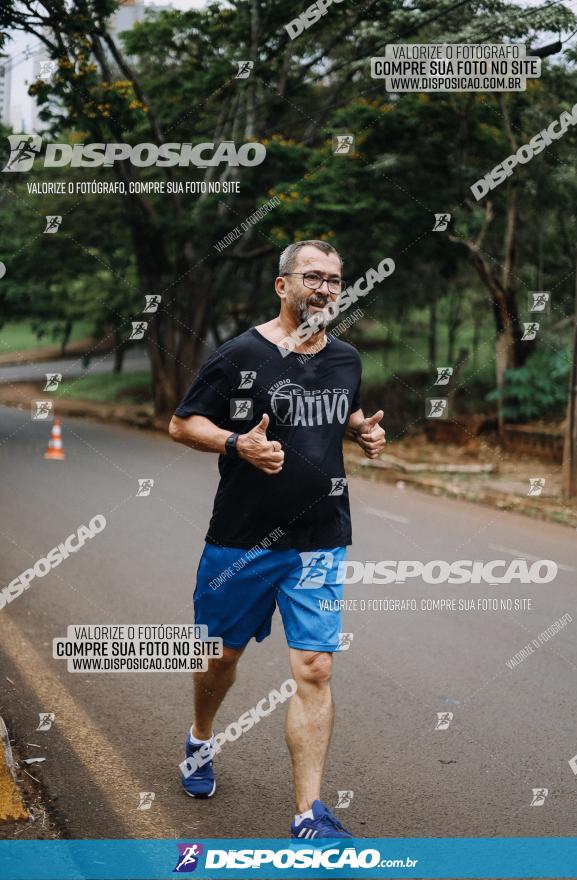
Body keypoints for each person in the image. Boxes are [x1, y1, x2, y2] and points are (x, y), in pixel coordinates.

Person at [169, 239, 386, 839]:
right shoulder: (239, 354)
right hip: (241, 542)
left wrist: (361, 431)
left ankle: (308, 814)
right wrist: (238, 443)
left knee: (316, 668)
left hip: (320, 539)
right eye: (312, 277)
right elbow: (182, 423)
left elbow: (339, 410)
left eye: (335, 280)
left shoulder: (346, 359)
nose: (324, 289)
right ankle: (201, 737)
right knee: (220, 659)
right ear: (282, 285)